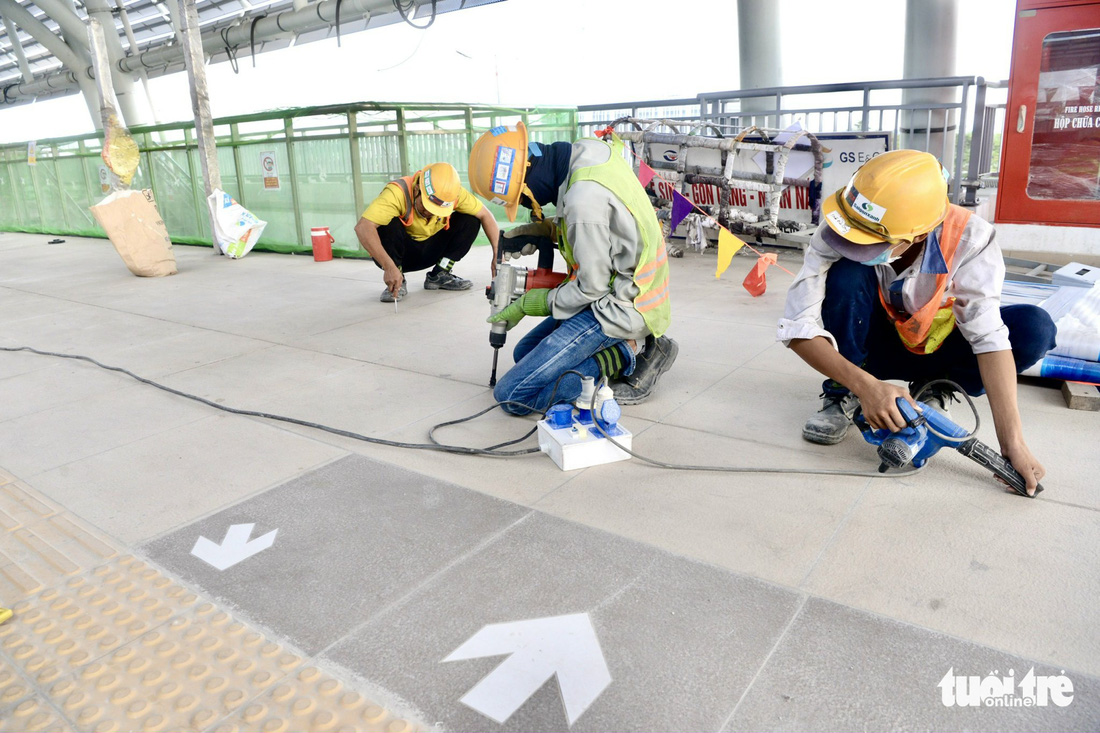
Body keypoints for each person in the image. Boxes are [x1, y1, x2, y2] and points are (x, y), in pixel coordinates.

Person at [778, 149, 1057, 496]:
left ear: (920, 235)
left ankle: (935, 385)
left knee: (1034, 328)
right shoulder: (843, 224)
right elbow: (797, 326)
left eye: (870, 240)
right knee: (847, 274)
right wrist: (867, 387)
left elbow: (987, 337)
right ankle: (843, 391)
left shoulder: (971, 239)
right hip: (869, 348)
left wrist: (1012, 442)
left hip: (934, 347)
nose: (851, 240)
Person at [467, 122, 678, 414]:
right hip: (620, 289)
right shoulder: (586, 154)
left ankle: (630, 350)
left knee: (513, 394)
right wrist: (544, 230)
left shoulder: (582, 199)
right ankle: (617, 350)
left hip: (623, 305)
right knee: (523, 353)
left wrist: (538, 302)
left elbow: (592, 286)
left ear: (528, 175)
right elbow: (605, 231)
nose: (534, 205)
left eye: (526, 199)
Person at [353, 162, 500, 302]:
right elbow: (363, 227)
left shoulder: (452, 194)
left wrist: (497, 255)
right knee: (385, 224)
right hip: (401, 256)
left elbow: (486, 215)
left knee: (471, 220)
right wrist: (388, 267)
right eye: (426, 206)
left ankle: (440, 274)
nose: (430, 212)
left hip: (431, 251)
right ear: (417, 189)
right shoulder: (397, 192)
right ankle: (397, 280)